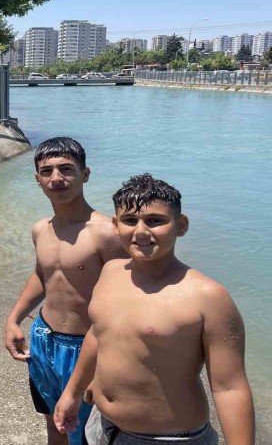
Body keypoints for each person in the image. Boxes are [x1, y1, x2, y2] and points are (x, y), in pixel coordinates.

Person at [54, 174, 255, 445]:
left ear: (181, 225)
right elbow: (98, 334)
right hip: (101, 424)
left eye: (155, 220)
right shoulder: (111, 271)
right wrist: (72, 392)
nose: (140, 231)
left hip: (166, 438)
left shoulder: (207, 297)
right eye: (129, 220)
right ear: (115, 226)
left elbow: (229, 387)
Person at [3, 137, 127, 445]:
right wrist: (14, 319)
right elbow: (42, 275)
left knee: (88, 435)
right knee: (55, 426)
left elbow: (128, 298)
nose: (56, 178)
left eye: (66, 169)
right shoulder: (41, 229)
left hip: (88, 347)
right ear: (37, 179)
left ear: (85, 174)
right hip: (43, 339)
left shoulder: (107, 233)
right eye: (47, 171)